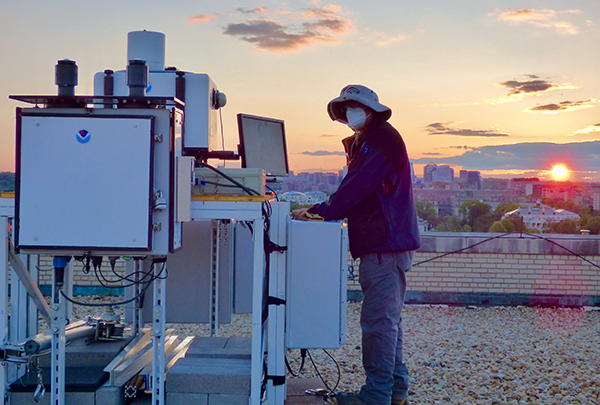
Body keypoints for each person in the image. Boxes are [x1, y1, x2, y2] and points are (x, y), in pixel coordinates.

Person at [302, 85, 421, 405]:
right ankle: (394, 390)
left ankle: (376, 395)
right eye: (346, 107)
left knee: (378, 322)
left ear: (370, 109)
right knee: (388, 321)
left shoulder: (381, 139)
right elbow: (358, 185)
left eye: (355, 106)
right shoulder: (367, 141)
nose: (350, 112)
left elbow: (359, 184)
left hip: (384, 243)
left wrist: (322, 212)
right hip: (385, 243)